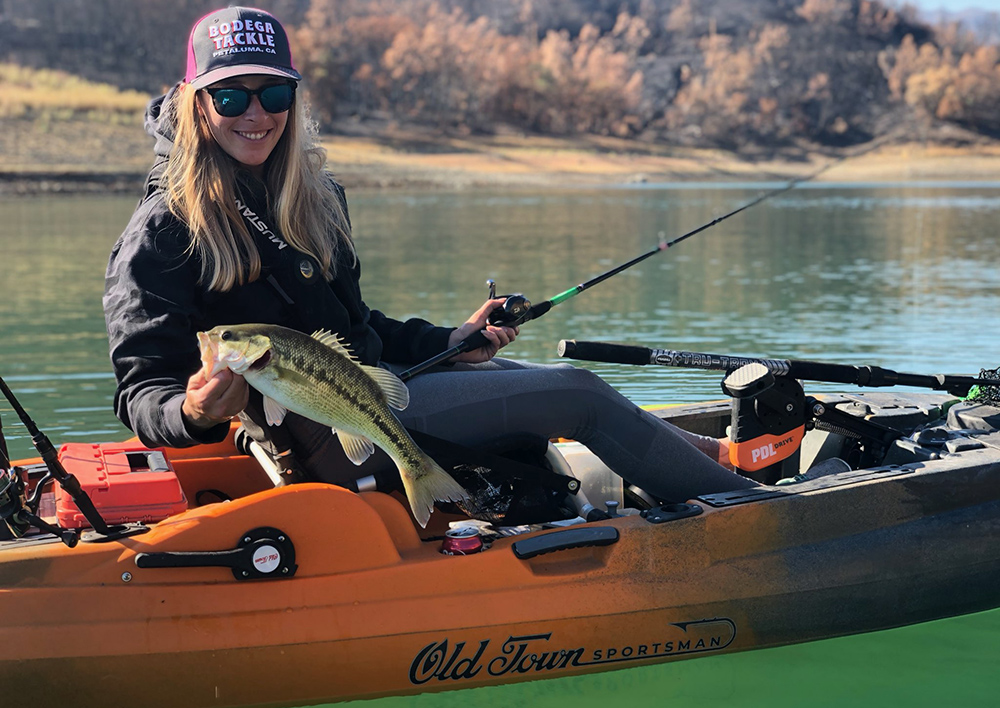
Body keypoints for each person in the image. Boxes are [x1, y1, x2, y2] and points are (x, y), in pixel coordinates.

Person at [104, 6, 759, 513]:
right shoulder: (162, 230)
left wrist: (451, 341)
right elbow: (142, 395)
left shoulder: (315, 195)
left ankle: (723, 468)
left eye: (274, 96)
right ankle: (755, 511)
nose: (257, 114)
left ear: (293, 101)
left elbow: (359, 328)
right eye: (232, 96)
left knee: (550, 381)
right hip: (330, 438)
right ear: (197, 103)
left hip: (373, 390)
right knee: (578, 393)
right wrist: (193, 412)